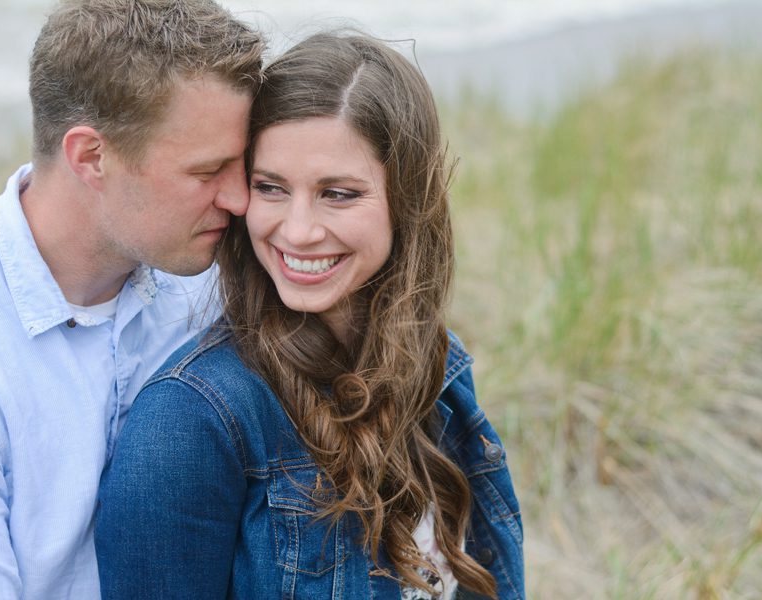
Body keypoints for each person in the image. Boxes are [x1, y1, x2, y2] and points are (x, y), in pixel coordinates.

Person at [95, 31, 525, 599]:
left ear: (409, 199)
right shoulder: (191, 422)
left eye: (338, 194)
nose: (297, 230)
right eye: (270, 188)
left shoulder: (436, 361)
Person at [0, 1, 263, 597]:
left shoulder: (216, 269)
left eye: (243, 166)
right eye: (207, 170)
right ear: (91, 156)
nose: (240, 199)